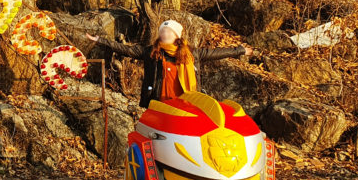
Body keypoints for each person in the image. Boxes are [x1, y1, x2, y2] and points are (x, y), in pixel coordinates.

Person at [86, 19, 253, 110]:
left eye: (168, 31)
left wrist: (240, 50)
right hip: (160, 103)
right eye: (162, 31)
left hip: (185, 104)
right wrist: (100, 40)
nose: (164, 34)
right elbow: (125, 49)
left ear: (176, 36)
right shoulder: (152, 52)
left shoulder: (191, 53)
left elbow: (217, 53)